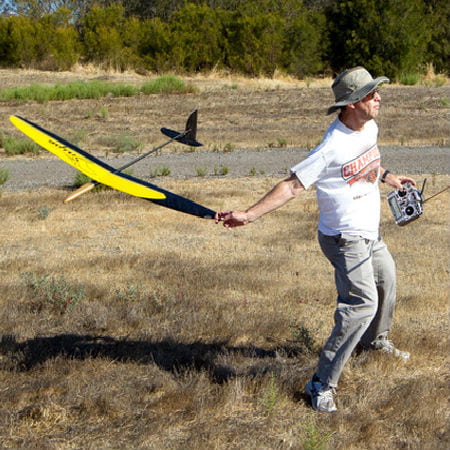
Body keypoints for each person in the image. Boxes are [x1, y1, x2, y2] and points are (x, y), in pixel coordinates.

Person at [215, 66, 414, 413]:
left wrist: (388, 176)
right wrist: (249, 214)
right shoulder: (331, 145)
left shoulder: (370, 126)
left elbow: (369, 162)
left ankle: (375, 342)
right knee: (360, 305)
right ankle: (319, 384)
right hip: (343, 238)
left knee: (387, 281)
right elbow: (291, 185)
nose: (379, 98)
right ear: (352, 104)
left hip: (371, 232)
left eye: (377, 92)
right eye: (371, 94)